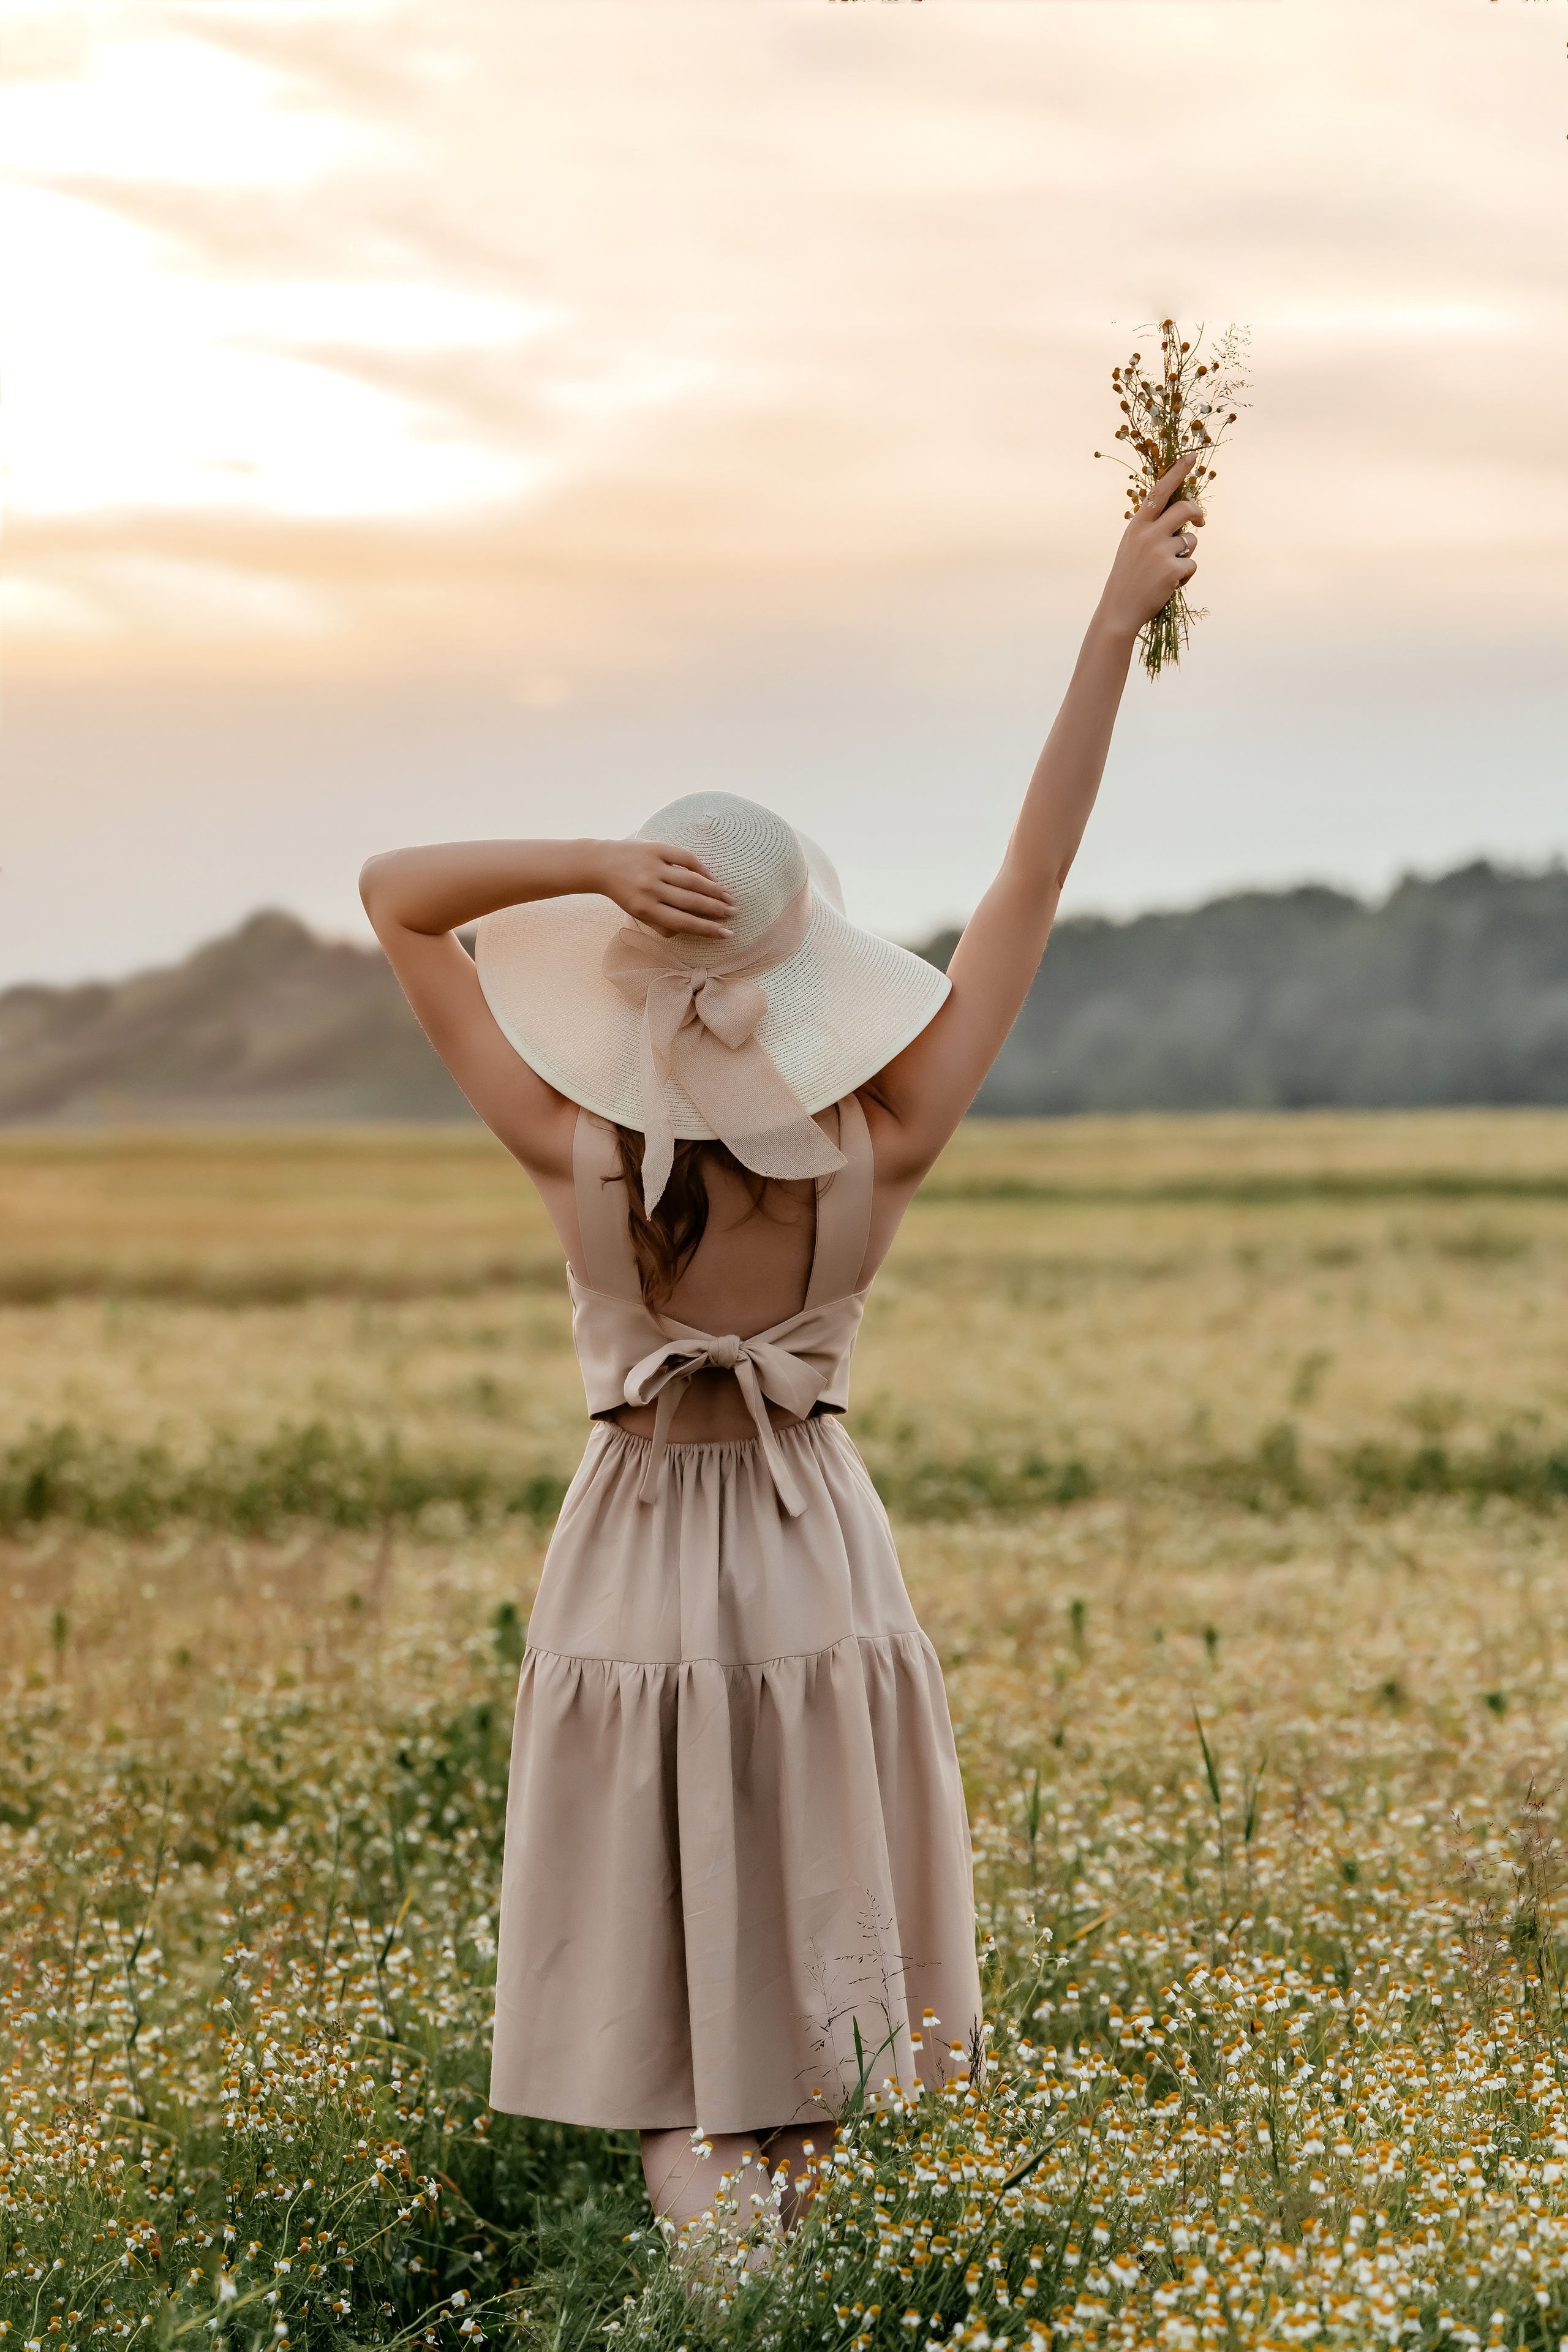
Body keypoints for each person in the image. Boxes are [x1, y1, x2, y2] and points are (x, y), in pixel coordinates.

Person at [361, 456, 1204, 2244]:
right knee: (819, 2008)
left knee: (679, 2029)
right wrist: (1109, 626)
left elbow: (396, 893)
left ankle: (712, 2280)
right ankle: (796, 2275)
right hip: (812, 1545)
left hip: (633, 1548)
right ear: (804, 963)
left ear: (622, 971)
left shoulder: (568, 1145)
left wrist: (591, 860)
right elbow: (1028, 886)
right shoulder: (885, 1141)